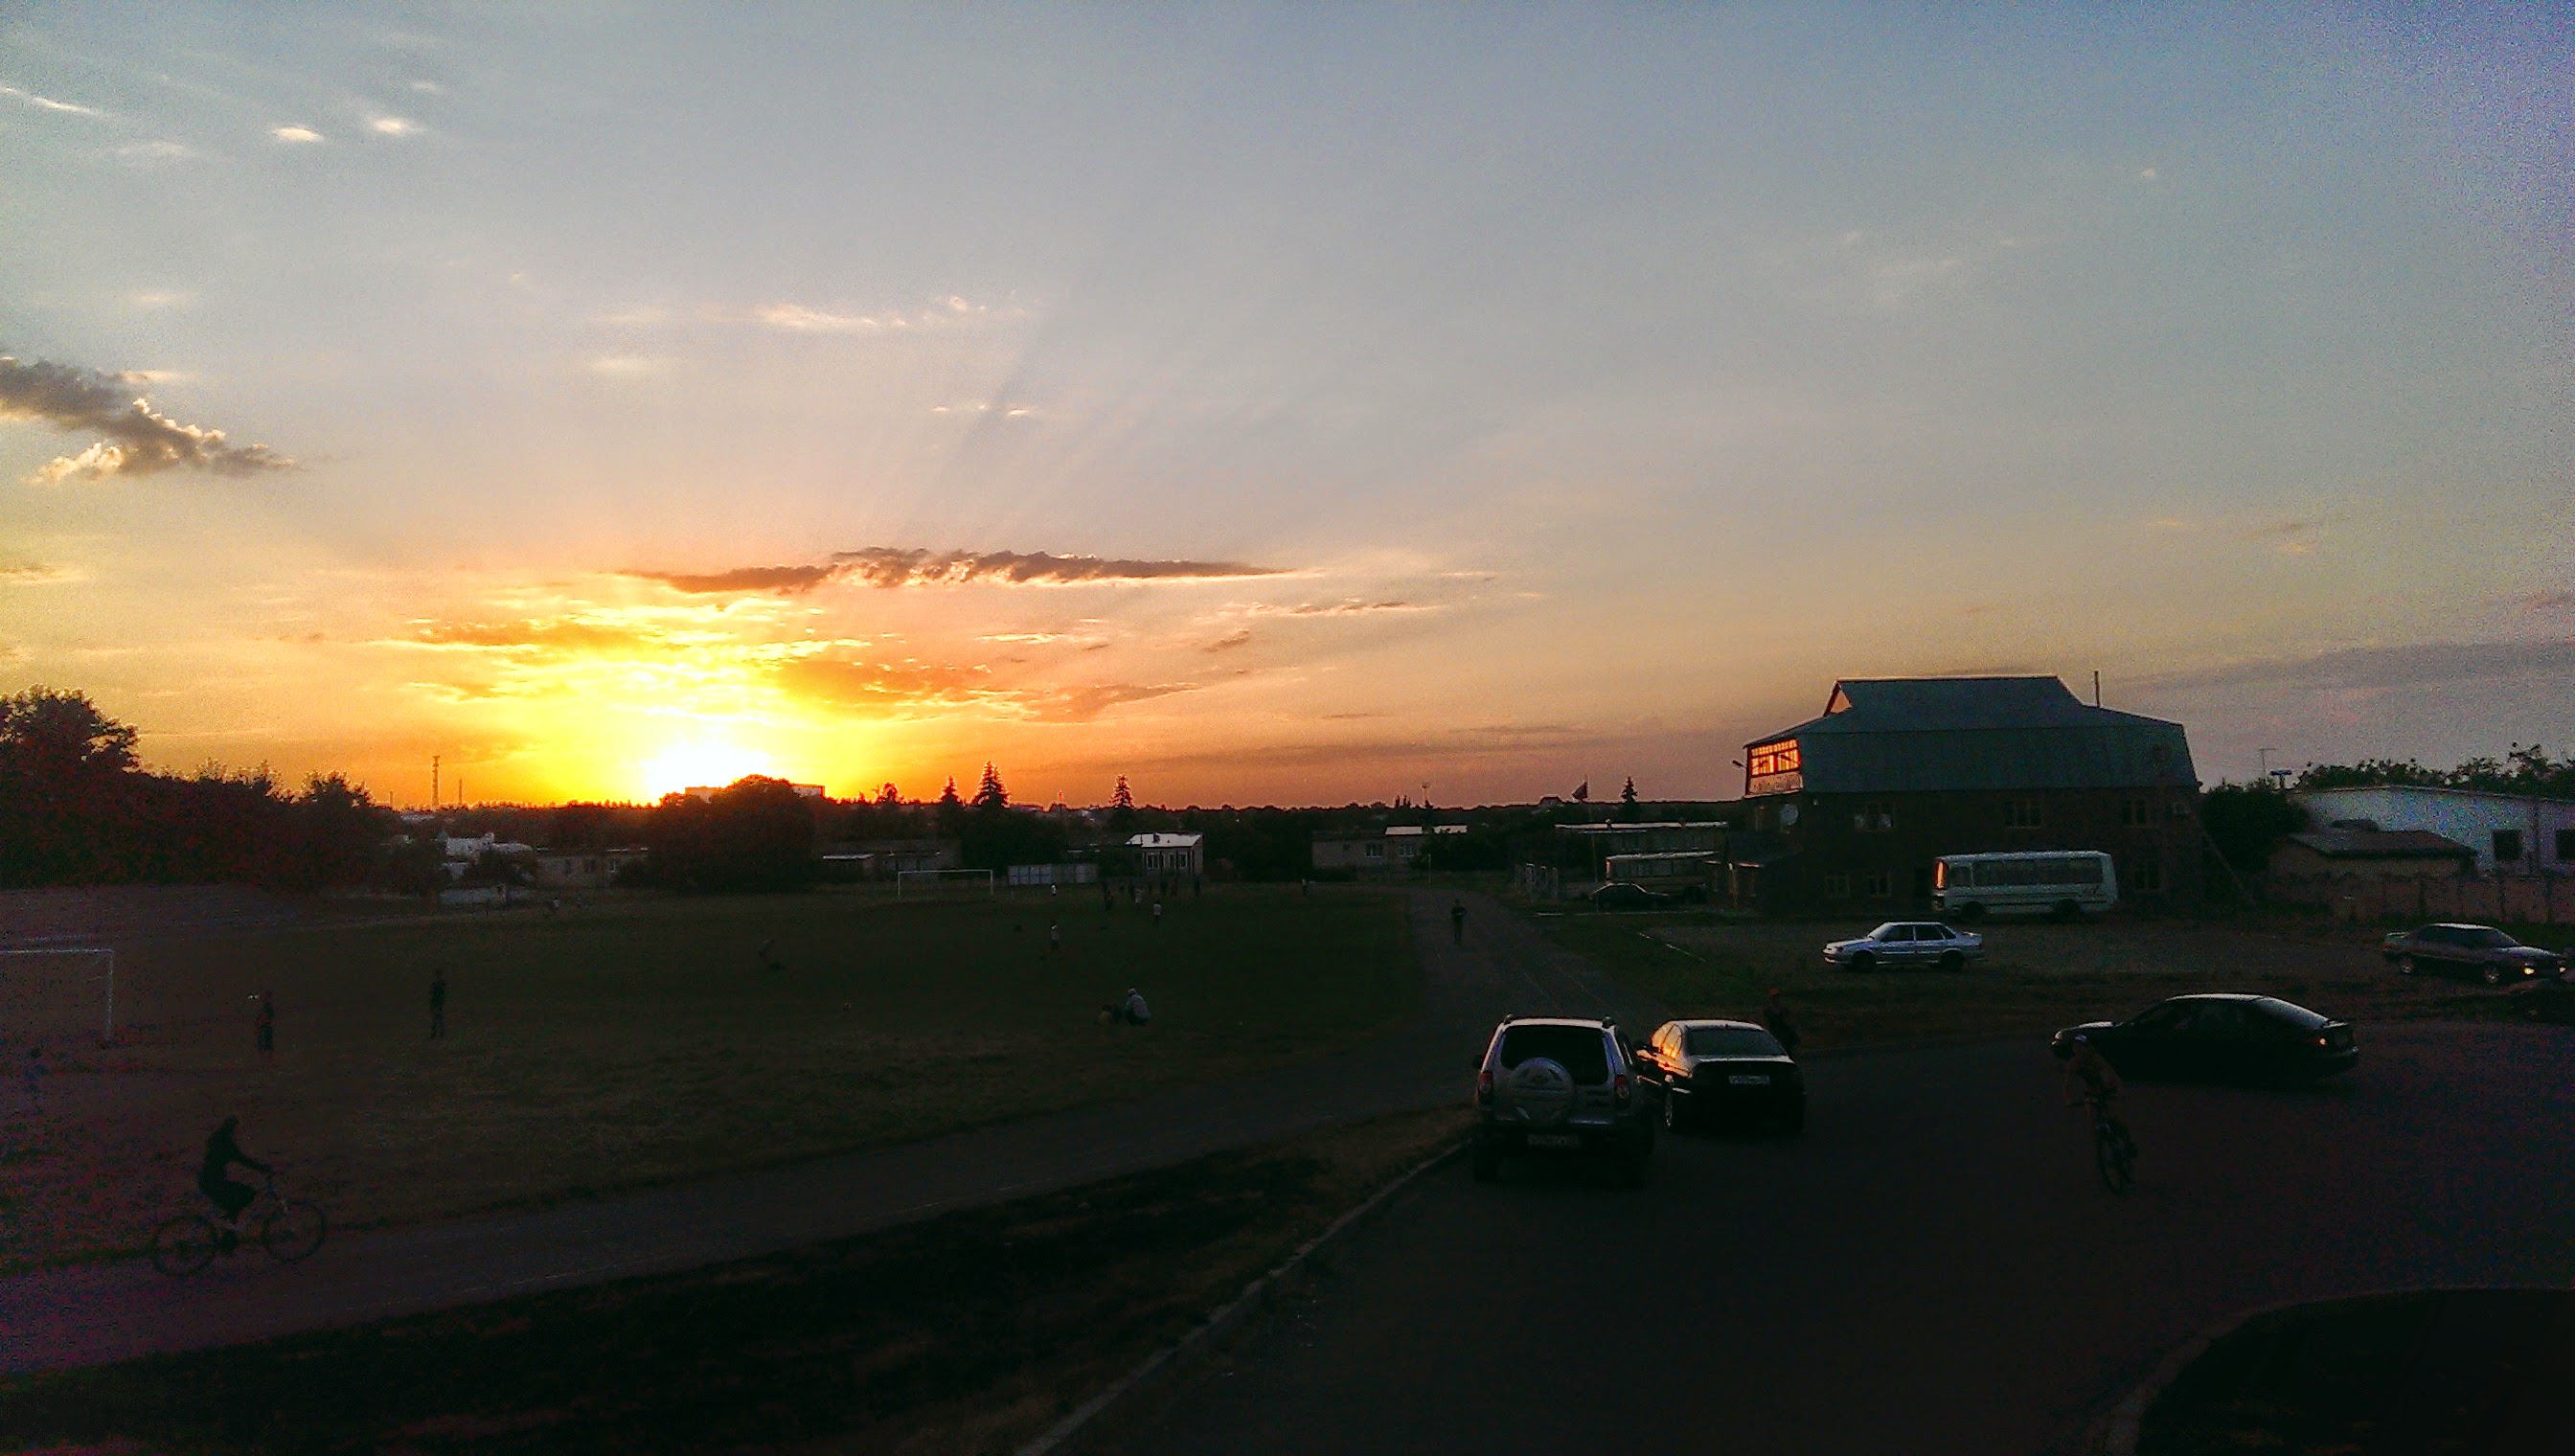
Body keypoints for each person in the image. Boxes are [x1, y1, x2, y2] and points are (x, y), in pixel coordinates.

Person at [198, 1117, 271, 1245]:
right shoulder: (227, 1144)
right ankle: (227, 1234)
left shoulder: (216, 1139)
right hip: (213, 1182)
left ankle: (229, 1234)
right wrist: (264, 1169)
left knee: (234, 1202)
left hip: (206, 1180)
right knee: (248, 1194)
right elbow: (243, 1160)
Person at [2061, 1034, 2136, 1156]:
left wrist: (2118, 1091)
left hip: (2108, 1090)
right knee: (2093, 1117)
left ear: (2087, 1048)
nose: (2078, 1050)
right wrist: (2069, 1099)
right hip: (2092, 1092)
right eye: (2075, 1047)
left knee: (2116, 1118)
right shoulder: (2074, 1064)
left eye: (2080, 1047)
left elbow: (2111, 1075)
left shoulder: (2096, 1059)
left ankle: (2128, 1143)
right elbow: (2068, 1084)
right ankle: (2101, 1146)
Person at [1763, 990, 1801, 1056]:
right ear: (1770, 999)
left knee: (1787, 1052)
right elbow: (1765, 1023)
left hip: (1785, 1035)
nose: (1776, 1000)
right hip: (1774, 1034)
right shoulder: (1767, 1011)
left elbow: (1791, 1021)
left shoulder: (1784, 1010)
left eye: (1777, 998)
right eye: (1774, 998)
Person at [255, 991, 276, 1059]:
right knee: (266, 1042)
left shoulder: (267, 1007)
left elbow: (267, 1016)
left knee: (265, 1041)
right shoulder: (266, 1006)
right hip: (265, 1026)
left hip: (265, 1026)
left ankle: (266, 1056)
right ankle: (267, 1056)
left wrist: (261, 1023)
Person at [429, 967, 448, 1040]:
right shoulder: (441, 984)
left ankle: (436, 1033)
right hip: (438, 1002)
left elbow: (432, 993)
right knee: (439, 1018)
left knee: (436, 1018)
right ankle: (440, 1032)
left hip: (436, 1002)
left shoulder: (436, 984)